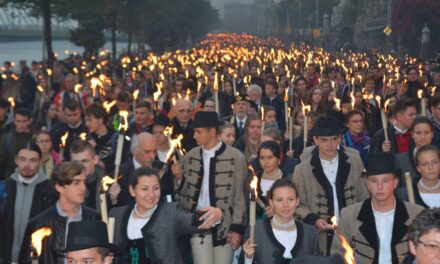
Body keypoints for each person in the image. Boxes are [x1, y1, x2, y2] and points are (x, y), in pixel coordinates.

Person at [175, 111, 247, 264]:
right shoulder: (190, 156)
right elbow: (182, 195)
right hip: (197, 224)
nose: (194, 136)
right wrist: (178, 179)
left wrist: (237, 228)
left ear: (212, 131)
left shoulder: (236, 157)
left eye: (199, 131)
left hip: (225, 224)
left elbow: (240, 196)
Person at [109, 167, 223, 263]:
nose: (151, 194)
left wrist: (215, 214)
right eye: (144, 189)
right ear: (132, 190)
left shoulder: (170, 212)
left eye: (156, 188)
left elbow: (191, 221)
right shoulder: (117, 214)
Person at [292, 116, 369, 255]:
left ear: (340, 138)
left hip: (352, 231)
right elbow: (297, 204)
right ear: (315, 140)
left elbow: (364, 195)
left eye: (334, 139)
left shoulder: (354, 160)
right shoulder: (302, 169)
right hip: (320, 235)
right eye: (324, 140)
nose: (330, 144)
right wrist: (314, 219)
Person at [331, 152, 424, 264]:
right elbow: (337, 255)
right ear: (367, 183)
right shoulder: (350, 215)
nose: (379, 187)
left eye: (385, 181)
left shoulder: (416, 214)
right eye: (374, 181)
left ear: (395, 183)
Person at [19, 162, 100, 264]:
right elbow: (27, 260)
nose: (83, 188)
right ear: (59, 187)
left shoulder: (93, 218)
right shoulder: (39, 224)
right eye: (76, 182)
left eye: (84, 182)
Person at [0, 141, 57, 264]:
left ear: (40, 161)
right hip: (5, 256)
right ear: (16, 160)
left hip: (36, 258)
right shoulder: (5, 188)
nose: (27, 165)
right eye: (22, 159)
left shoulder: (49, 190)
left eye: (33, 160)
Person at [242, 178, 320, 264]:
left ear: (297, 201)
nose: (285, 205)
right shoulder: (256, 231)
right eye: (279, 200)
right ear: (271, 202)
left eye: (290, 199)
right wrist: (248, 258)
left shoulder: (309, 233)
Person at [110, 132, 178, 206]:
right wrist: (113, 199)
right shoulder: (121, 173)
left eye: (155, 151)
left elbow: (169, 196)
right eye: (147, 152)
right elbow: (115, 206)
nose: (152, 156)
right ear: (135, 150)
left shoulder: (162, 168)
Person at [395, 116, 433, 186]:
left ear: (432, 134)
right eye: (418, 133)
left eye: (427, 132)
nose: (423, 136)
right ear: (412, 134)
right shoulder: (400, 160)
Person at [70, 140, 106, 211]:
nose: (80, 166)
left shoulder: (108, 182)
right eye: (76, 162)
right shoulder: (67, 185)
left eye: (84, 161)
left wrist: (114, 200)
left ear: (95, 159)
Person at [0, 108, 33, 179]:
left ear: (30, 121)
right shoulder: (6, 139)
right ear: (14, 121)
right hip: (10, 177)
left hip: (30, 177)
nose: (21, 124)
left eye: (24, 121)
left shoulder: (34, 138)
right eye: (18, 121)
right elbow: (2, 160)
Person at [84, 103, 117, 172]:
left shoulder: (115, 137)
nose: (86, 124)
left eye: (89, 120)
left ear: (100, 119)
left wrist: (104, 164)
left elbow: (120, 162)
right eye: (85, 121)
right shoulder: (86, 138)